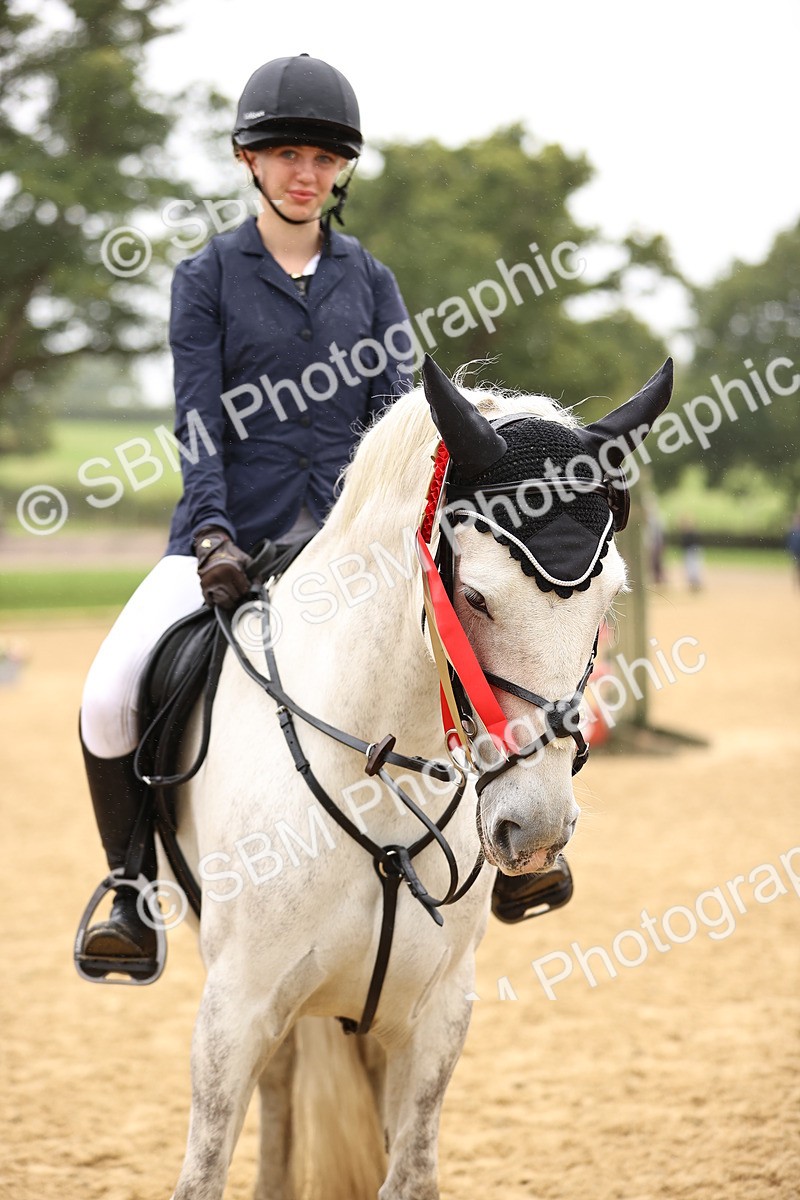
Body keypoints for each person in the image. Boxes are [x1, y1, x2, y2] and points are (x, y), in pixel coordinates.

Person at [77, 54, 412, 976]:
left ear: (343, 170)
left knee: (471, 645)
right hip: (223, 538)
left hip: (347, 547)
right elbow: (198, 423)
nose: (306, 173)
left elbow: (398, 422)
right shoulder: (206, 278)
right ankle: (132, 892)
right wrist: (216, 533)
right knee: (107, 696)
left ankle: (511, 854)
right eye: (287, 154)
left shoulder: (374, 284)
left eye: (324, 158)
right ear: (247, 160)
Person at [787, 510, 800, 587]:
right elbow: (791, 542)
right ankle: (796, 583)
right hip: (796, 552)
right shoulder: (793, 531)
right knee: (796, 568)